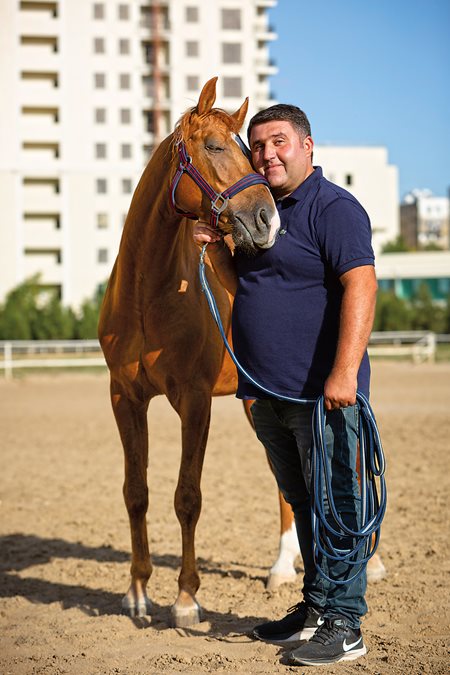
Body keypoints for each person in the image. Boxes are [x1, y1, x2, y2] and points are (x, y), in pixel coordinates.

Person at [193, 104, 377, 667]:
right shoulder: (258, 210)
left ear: (308, 146)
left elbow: (361, 287)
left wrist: (344, 373)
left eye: (279, 142)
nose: (268, 154)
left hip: (322, 392)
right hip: (266, 394)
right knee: (301, 501)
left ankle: (345, 624)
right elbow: (247, 285)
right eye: (259, 146)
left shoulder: (335, 208)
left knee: (338, 503)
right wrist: (213, 250)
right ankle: (316, 605)